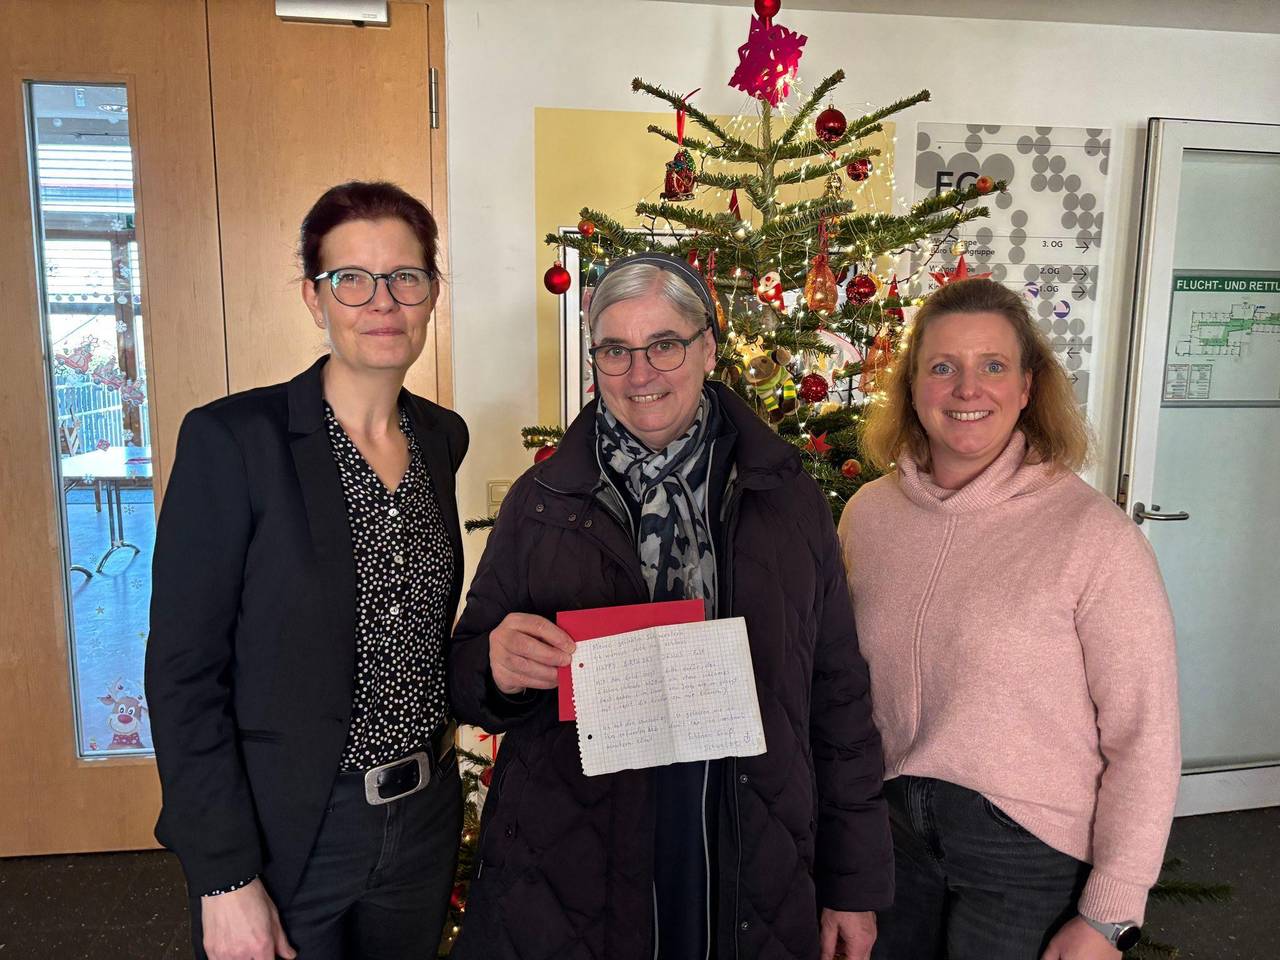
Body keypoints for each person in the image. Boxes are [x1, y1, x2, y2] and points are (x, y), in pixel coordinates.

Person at [449, 252, 893, 960]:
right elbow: (466, 671)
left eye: (664, 344)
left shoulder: (786, 499)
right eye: (615, 350)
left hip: (746, 851)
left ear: (707, 349)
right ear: (595, 362)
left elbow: (836, 696)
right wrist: (497, 665)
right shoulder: (544, 501)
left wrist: (852, 883)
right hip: (575, 865)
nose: (640, 373)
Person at [146, 181, 468, 960]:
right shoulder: (235, 442)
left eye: (405, 277)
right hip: (292, 831)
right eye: (351, 278)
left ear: (431, 294)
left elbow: (414, 632)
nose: (382, 301)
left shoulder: (441, 438)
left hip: (422, 824)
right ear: (313, 296)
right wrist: (223, 877)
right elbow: (185, 673)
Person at [839, 278, 1180, 960]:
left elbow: (1145, 736)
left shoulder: (1094, 537)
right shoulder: (868, 516)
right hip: (892, 835)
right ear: (912, 387)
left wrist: (1110, 915)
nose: (968, 389)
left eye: (993, 366)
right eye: (943, 367)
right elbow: (842, 691)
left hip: (1028, 854)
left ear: (1027, 387)